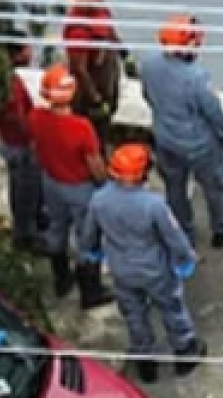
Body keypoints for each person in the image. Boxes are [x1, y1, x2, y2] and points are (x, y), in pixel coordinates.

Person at [81, 143, 207, 383]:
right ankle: (184, 353)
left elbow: (89, 235)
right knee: (172, 309)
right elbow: (174, 237)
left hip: (121, 270)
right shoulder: (153, 205)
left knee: (134, 315)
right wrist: (185, 260)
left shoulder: (99, 200)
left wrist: (92, 253)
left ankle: (145, 362)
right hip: (155, 270)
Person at [139, 14, 223, 248]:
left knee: (175, 187)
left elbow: (147, 95)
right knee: (215, 185)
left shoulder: (148, 62)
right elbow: (215, 115)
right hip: (198, 144)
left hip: (164, 137)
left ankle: (182, 232)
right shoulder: (196, 78)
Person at [28, 65, 112, 309]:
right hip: (79, 188)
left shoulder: (36, 117)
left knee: (56, 229)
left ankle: (61, 279)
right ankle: (91, 292)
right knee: (88, 239)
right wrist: (106, 184)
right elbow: (95, 165)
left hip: (51, 181)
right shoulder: (81, 128)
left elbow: (36, 149)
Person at [60, 0, 129, 147]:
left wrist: (124, 53)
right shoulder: (78, 31)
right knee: (90, 133)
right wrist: (96, 100)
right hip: (90, 90)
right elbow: (79, 69)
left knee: (104, 127)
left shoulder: (100, 9)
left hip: (107, 78)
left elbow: (109, 31)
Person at [0, 43, 45, 252]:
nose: (30, 53)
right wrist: (32, 140)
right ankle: (25, 236)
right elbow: (18, 119)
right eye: (26, 49)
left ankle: (30, 225)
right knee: (25, 190)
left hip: (14, 142)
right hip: (20, 145)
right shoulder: (10, 86)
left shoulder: (9, 79)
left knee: (26, 188)